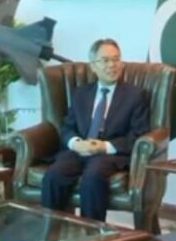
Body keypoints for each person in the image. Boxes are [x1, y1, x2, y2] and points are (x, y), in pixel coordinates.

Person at [41, 38, 149, 221]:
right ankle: (51, 229)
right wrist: (76, 143)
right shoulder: (80, 93)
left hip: (109, 154)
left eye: (116, 59)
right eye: (105, 60)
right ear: (93, 66)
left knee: (93, 177)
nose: (112, 65)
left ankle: (92, 232)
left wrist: (104, 146)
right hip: (79, 150)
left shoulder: (135, 95)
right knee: (54, 175)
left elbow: (139, 134)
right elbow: (68, 126)